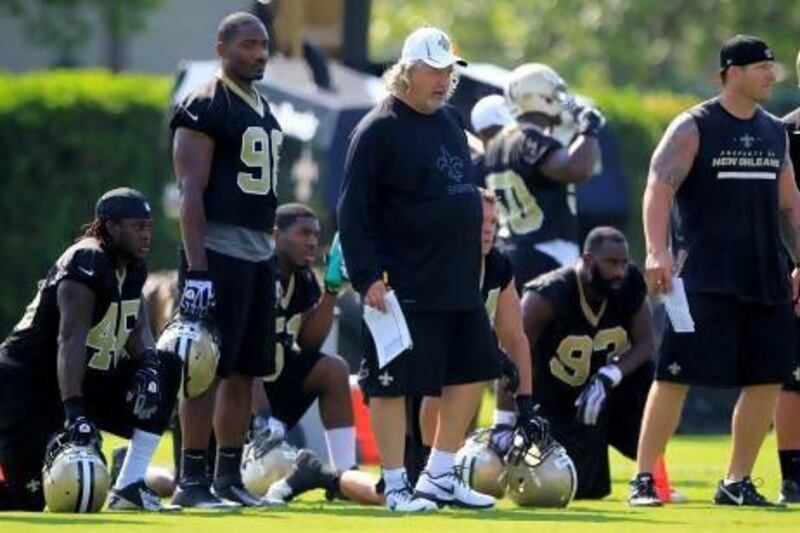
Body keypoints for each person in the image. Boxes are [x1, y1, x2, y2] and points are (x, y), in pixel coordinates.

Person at [338, 26, 545, 513]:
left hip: (457, 279)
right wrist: (367, 276)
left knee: (474, 368)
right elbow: (352, 211)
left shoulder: (450, 121)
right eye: (433, 70)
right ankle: (396, 486)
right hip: (400, 282)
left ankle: (439, 474)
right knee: (391, 384)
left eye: (448, 71)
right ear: (407, 71)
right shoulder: (377, 129)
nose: (443, 80)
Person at [632, 35, 800, 507]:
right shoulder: (694, 125)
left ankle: (737, 482)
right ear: (732, 72)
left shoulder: (774, 131)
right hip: (704, 275)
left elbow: (790, 206)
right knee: (674, 375)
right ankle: (644, 479)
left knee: (768, 377)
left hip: (765, 275)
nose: (770, 76)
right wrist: (655, 251)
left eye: (772, 68)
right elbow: (658, 187)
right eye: (761, 68)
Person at [0, 188, 181, 512]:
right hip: (30, 384)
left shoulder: (133, 268)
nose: (146, 234)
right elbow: (69, 341)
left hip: (83, 381)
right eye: (137, 226)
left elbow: (137, 329)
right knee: (28, 500)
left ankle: (129, 485)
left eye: (149, 226)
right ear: (111, 227)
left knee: (166, 364)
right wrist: (75, 413)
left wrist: (150, 365)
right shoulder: (87, 260)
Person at [170, 11, 283, 508]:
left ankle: (226, 478)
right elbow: (190, 192)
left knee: (244, 370)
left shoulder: (261, 103)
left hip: (258, 252)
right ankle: (191, 480)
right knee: (204, 368)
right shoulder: (204, 104)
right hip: (217, 251)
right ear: (222, 48)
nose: (258, 53)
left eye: (263, 45)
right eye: (247, 45)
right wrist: (197, 271)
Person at [503, 227, 655, 499]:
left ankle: (650, 475)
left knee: (650, 377)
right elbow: (511, 357)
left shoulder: (629, 285)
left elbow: (646, 345)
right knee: (579, 489)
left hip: (602, 394)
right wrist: (504, 422)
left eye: (623, 262)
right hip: (555, 402)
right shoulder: (546, 295)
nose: (620, 272)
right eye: (611, 262)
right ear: (587, 260)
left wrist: (610, 375)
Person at [246, 203, 355, 502]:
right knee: (247, 481)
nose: (312, 241)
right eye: (304, 233)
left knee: (334, 369)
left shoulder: (303, 277)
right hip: (239, 398)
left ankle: (345, 475)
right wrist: (264, 417)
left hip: (274, 384)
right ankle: (132, 465)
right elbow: (244, 359)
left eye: (316, 234)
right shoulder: (256, 272)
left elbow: (309, 344)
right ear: (276, 234)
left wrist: (331, 293)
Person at [482, 63, 604, 291]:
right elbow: (577, 169)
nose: (562, 100)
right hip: (548, 253)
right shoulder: (529, 139)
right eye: (557, 94)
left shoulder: (496, 145)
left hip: (511, 250)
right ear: (541, 96)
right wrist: (589, 130)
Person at [776, 48, 800, 504]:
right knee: (794, 376)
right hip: (795, 268)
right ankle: (793, 475)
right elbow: (779, 208)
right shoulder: (781, 132)